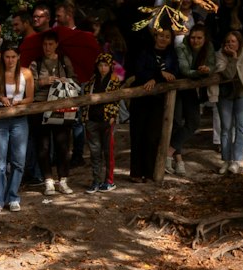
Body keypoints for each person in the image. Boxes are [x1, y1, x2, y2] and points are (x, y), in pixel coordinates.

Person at [126, 26, 181, 183]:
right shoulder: (144, 51)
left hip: (158, 101)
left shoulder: (172, 55)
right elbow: (139, 71)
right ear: (155, 37)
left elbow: (174, 73)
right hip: (140, 99)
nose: (163, 39)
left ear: (171, 40)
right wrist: (159, 74)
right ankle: (136, 173)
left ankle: (149, 173)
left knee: (152, 137)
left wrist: (155, 78)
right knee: (138, 135)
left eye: (167, 37)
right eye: (161, 36)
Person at [0, 45, 34, 212]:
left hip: (19, 118)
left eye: (13, 57)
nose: (10, 60)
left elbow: (30, 97)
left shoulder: (26, 73)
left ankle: (13, 197)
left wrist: (18, 102)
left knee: (18, 160)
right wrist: (0, 97)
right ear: (2, 57)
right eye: (7, 56)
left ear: (18, 57)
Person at [33, 32, 80, 195]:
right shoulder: (36, 63)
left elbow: (75, 80)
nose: (47, 47)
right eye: (45, 44)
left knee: (63, 145)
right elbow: (29, 85)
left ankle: (63, 180)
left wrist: (65, 81)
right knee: (43, 146)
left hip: (62, 106)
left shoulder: (64, 61)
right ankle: (48, 181)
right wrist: (42, 82)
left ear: (56, 44)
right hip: (40, 107)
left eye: (51, 44)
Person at [171, 26, 218, 175]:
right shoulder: (181, 47)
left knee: (193, 122)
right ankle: (178, 160)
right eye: (193, 37)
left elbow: (212, 64)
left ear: (205, 39)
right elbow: (184, 70)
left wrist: (207, 70)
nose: (195, 41)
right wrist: (201, 72)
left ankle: (168, 152)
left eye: (199, 38)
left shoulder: (209, 47)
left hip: (191, 88)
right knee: (176, 122)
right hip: (178, 87)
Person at [212, 30, 243, 174]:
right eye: (227, 42)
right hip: (225, 95)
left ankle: (236, 160)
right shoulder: (219, 55)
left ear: (239, 42)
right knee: (226, 128)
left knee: (241, 128)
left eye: (233, 41)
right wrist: (233, 58)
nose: (230, 44)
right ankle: (226, 160)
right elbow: (227, 74)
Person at [85, 43, 127, 192]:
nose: (102, 68)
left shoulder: (114, 81)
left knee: (107, 151)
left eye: (105, 65)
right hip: (92, 120)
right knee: (94, 152)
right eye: (100, 65)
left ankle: (109, 180)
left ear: (110, 66)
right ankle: (96, 180)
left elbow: (116, 100)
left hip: (106, 120)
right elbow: (85, 99)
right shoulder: (91, 81)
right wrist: (85, 117)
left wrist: (113, 116)